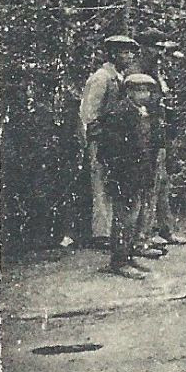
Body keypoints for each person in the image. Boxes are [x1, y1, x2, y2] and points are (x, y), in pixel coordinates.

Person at [96, 72, 165, 278]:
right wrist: (118, 171)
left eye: (146, 91)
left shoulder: (143, 112)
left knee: (133, 217)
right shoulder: (119, 113)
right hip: (124, 174)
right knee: (123, 218)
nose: (143, 95)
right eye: (139, 90)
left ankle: (127, 255)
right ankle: (118, 261)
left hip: (139, 173)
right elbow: (109, 149)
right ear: (129, 92)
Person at [80, 34, 139, 247]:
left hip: (117, 141)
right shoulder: (101, 77)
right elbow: (89, 113)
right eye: (124, 52)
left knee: (114, 185)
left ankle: (114, 233)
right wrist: (97, 137)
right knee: (101, 185)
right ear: (113, 54)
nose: (129, 56)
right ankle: (101, 235)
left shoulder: (121, 78)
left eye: (131, 52)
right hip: (102, 140)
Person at [135, 30, 186, 250]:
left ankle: (165, 230)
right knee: (149, 186)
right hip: (146, 136)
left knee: (163, 183)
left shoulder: (157, 71)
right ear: (145, 48)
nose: (160, 53)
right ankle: (143, 237)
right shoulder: (137, 73)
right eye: (157, 48)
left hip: (160, 133)